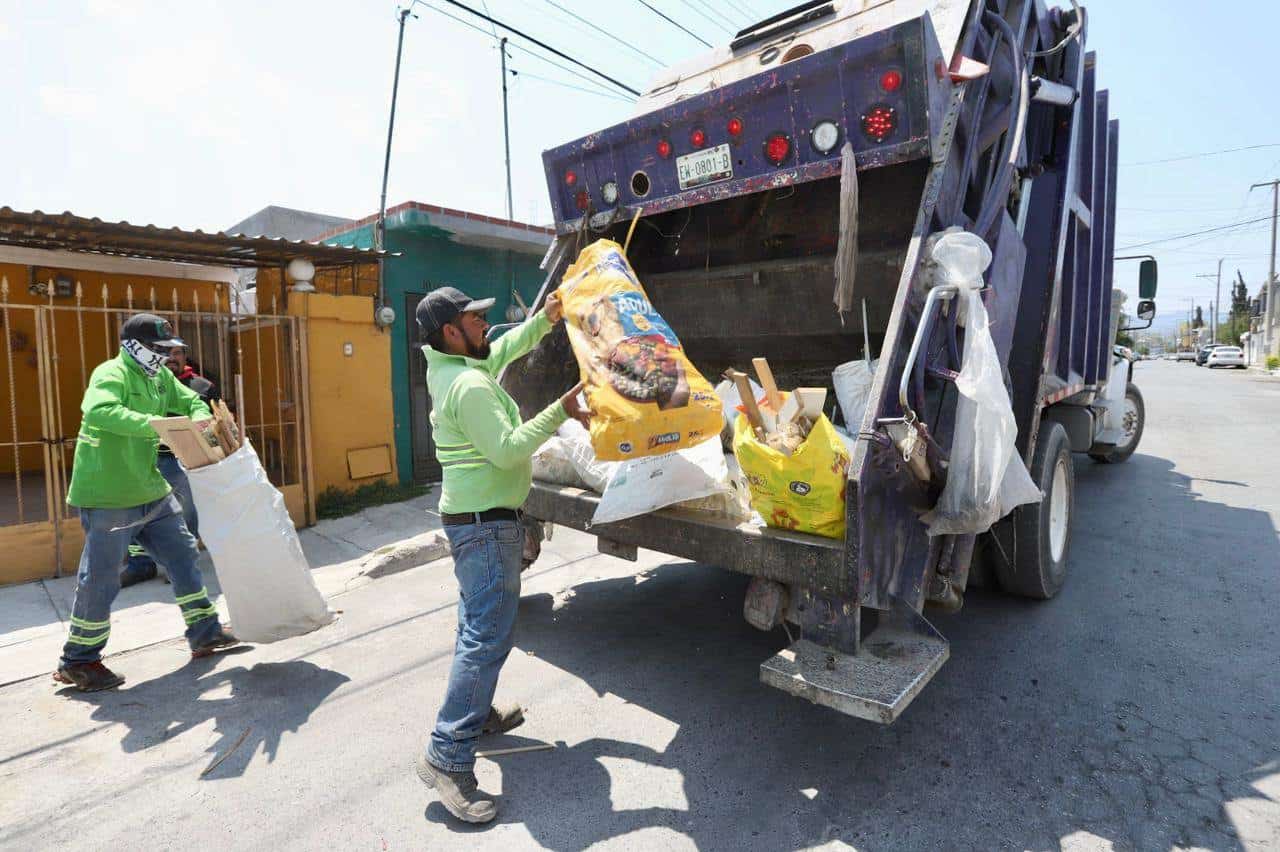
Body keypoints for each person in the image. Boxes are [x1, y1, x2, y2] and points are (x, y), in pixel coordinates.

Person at [413, 286, 590, 823]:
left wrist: (545, 320)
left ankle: (478, 712)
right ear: (450, 331)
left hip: (474, 520)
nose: (484, 325)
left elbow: (504, 346)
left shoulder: (453, 365)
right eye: (473, 319)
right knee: (486, 637)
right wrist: (561, 410)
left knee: (477, 627)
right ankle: (447, 755)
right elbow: (511, 447)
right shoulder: (467, 385)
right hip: (486, 528)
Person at [55, 314, 240, 692]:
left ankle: (204, 632)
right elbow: (98, 411)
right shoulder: (112, 374)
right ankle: (79, 660)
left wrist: (202, 419)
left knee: (183, 553)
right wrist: (157, 425)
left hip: (149, 488)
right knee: (102, 577)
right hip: (108, 494)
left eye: (169, 351)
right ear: (136, 348)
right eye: (160, 350)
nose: (167, 358)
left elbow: (191, 400)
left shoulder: (159, 379)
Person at [119, 341, 219, 588]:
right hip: (144, 457)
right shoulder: (146, 385)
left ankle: (182, 565)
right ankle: (140, 565)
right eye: (165, 354)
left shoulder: (202, 387)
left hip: (182, 459)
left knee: (184, 513)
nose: (171, 358)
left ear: (186, 356)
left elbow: (216, 422)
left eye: (177, 353)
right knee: (135, 511)